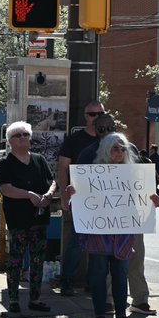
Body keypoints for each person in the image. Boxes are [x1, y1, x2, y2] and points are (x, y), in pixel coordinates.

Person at [66, 132, 159, 318]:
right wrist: (73, 195)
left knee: (121, 274)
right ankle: (100, 315)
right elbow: (77, 204)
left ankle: (122, 316)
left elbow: (150, 197)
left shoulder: (134, 173)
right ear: (106, 150)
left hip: (123, 233)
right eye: (115, 148)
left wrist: (155, 200)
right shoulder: (93, 172)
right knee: (98, 274)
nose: (119, 152)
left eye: (122, 148)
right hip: (99, 233)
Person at [0, 121, 59, 315]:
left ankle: (35, 298)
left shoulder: (39, 159)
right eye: (17, 135)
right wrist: (29, 194)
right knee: (16, 259)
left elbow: (52, 181)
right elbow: (6, 188)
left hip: (39, 218)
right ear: (10, 141)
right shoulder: (6, 162)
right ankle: (14, 298)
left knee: (38, 260)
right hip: (18, 219)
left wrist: (48, 195)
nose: (22, 138)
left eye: (25, 134)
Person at [56, 100, 107, 294]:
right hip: (81, 199)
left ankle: (94, 283)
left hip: (108, 201)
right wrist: (62, 195)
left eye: (100, 113)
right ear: (86, 117)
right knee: (76, 242)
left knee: (101, 246)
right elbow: (62, 168)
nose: (96, 118)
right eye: (92, 114)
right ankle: (66, 280)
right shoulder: (75, 140)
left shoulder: (113, 140)